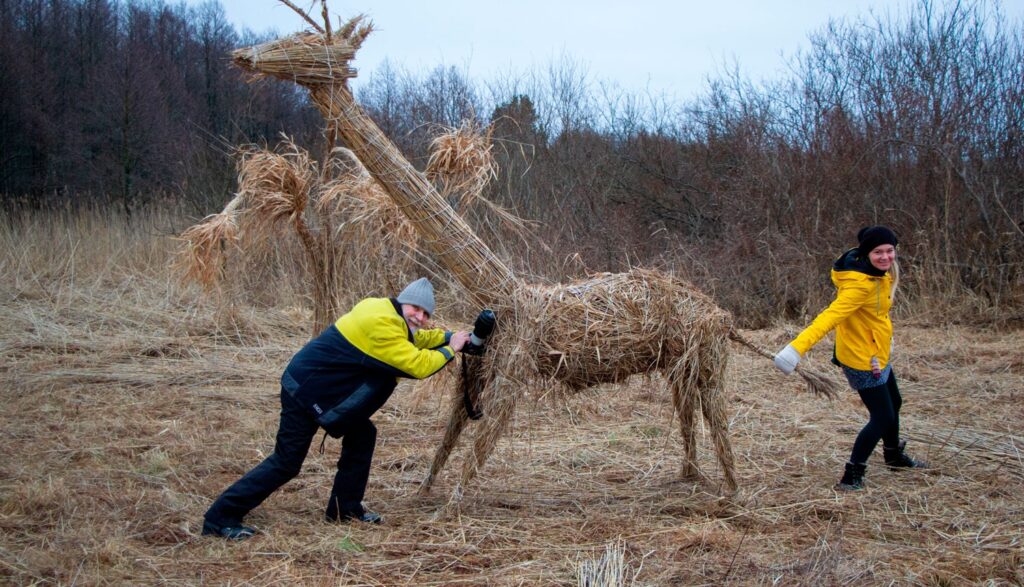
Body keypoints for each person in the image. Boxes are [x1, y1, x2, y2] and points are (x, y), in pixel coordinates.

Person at [202, 277, 472, 539]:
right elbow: (417, 365)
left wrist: (451, 337)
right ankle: (220, 518)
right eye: (416, 308)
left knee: (363, 435)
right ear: (402, 302)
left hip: (323, 391)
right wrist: (451, 349)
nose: (420, 317)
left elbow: (417, 339)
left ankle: (345, 510)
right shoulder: (383, 324)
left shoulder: (386, 312)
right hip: (305, 390)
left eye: (426, 313)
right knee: (287, 462)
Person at [773, 226, 925, 491]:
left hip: (877, 352)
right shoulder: (859, 286)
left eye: (890, 250)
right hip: (862, 360)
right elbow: (829, 318)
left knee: (895, 402)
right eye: (878, 252)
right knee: (882, 417)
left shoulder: (877, 274)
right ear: (867, 253)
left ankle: (893, 456)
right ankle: (852, 474)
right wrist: (795, 349)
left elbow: (874, 316)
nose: (886, 257)